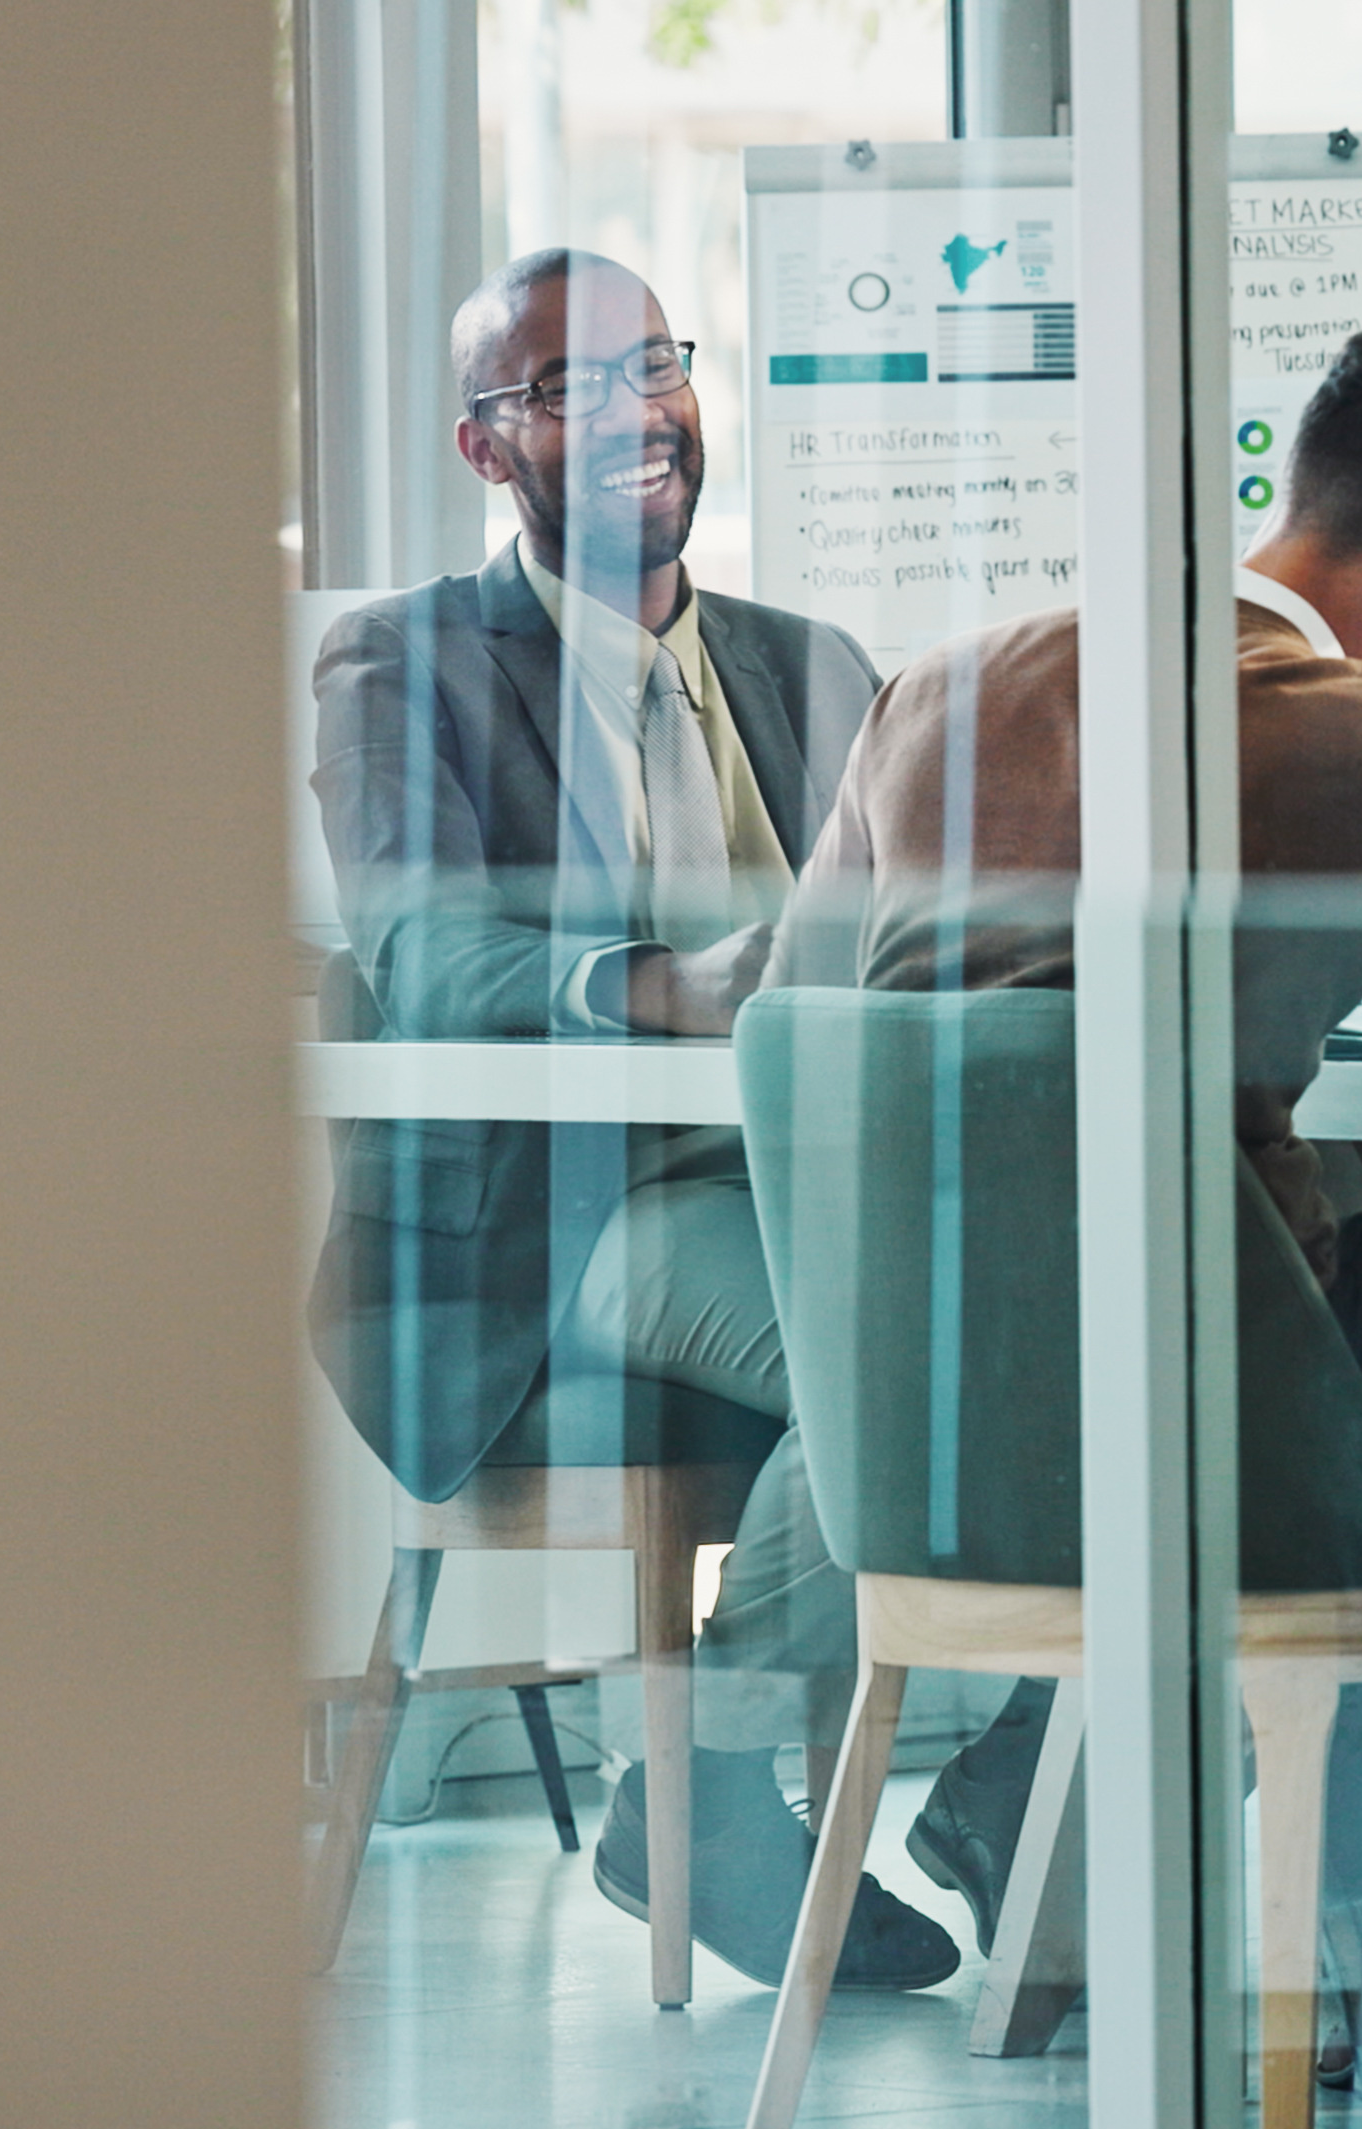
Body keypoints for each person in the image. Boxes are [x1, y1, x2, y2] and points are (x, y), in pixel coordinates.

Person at [771, 319, 1362, 2122]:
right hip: (1234, 1424)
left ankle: (1015, 1817)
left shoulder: (946, 685)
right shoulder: (1354, 731)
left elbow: (807, 1008)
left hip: (934, 1423)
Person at [307, 247, 957, 1993]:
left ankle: (1010, 1790)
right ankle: (718, 1790)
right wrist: (666, 983)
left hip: (818, 1174)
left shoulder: (813, 666)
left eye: (651, 366)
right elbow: (426, 955)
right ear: (481, 448)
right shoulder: (404, 664)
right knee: (906, 1344)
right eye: (561, 388)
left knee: (1063, 1314)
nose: (628, 416)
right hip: (562, 1217)